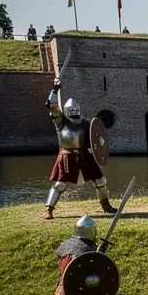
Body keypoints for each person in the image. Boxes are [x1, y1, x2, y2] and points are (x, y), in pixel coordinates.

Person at [44, 78, 115, 218]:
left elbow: (94, 138)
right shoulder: (61, 122)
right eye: (71, 110)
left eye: (76, 110)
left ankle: (106, 205)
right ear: (65, 111)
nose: (74, 112)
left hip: (85, 155)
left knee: (100, 180)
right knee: (60, 184)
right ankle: (49, 209)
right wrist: (54, 89)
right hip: (67, 156)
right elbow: (50, 104)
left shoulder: (86, 124)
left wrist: (100, 140)